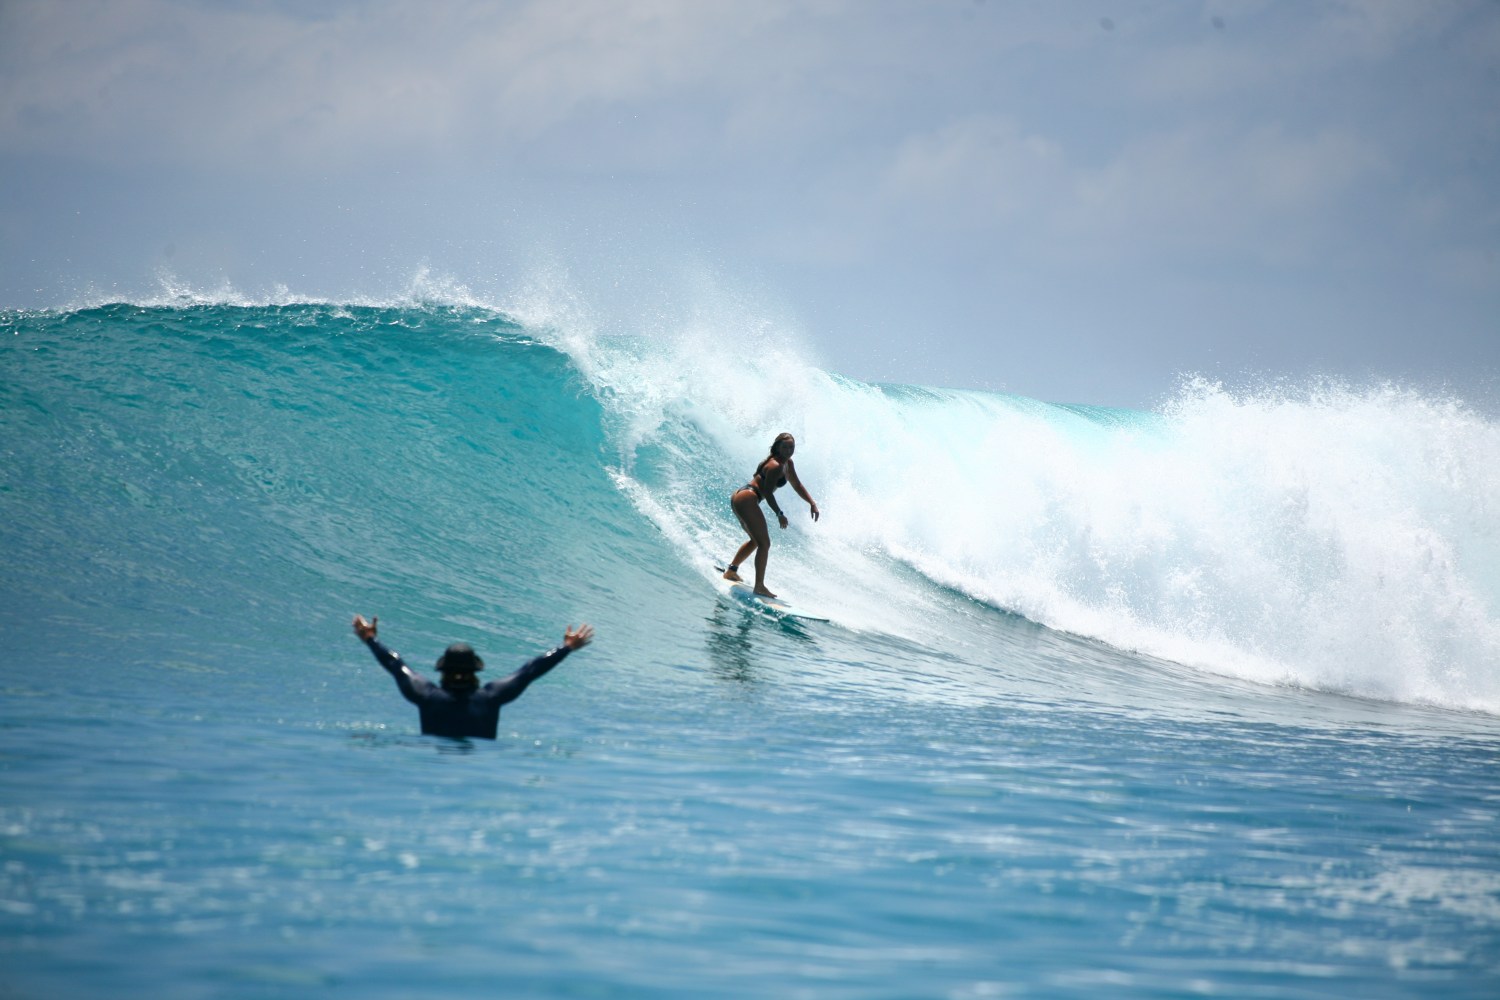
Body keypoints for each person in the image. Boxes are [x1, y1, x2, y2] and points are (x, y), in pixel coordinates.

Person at [351, 615, 594, 740]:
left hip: (431, 765)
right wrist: (566, 647)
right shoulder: (490, 698)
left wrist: (371, 639)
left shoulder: (427, 696)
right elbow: (529, 671)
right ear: (475, 671)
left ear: (442, 671)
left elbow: (395, 664)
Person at [722, 432, 820, 598]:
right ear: (777, 447)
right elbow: (767, 492)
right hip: (747, 498)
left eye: (792, 447)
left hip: (742, 496)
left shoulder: (787, 464)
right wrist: (779, 513)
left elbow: (797, 485)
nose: (789, 450)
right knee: (764, 543)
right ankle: (759, 586)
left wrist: (812, 502)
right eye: (785, 447)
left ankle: (731, 571)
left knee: (756, 541)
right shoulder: (775, 465)